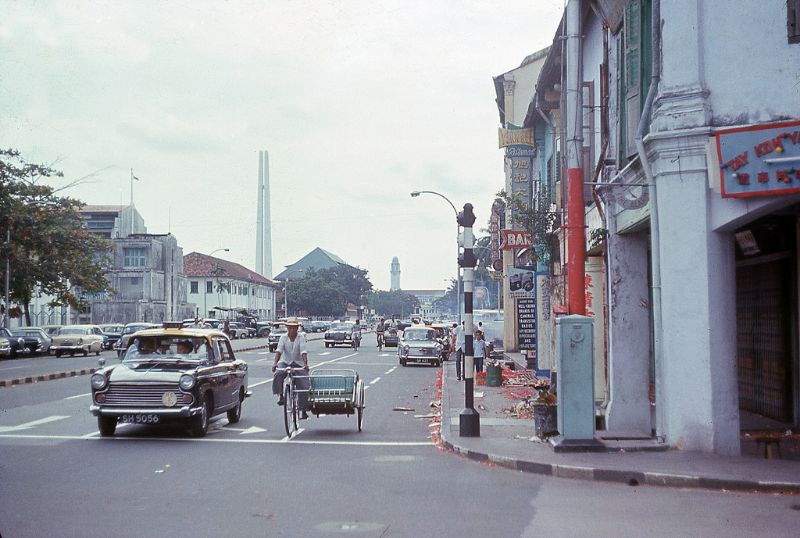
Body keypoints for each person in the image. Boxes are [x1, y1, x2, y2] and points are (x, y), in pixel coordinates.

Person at [271, 317, 310, 419]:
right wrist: (275, 363)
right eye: (290, 328)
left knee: (304, 385)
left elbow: (303, 352)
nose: (292, 330)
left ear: (297, 328)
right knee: (278, 374)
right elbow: (279, 351)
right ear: (287, 328)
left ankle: (303, 410)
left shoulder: (300, 337)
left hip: (298, 363)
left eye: (294, 328)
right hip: (285, 362)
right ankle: (280, 395)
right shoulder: (283, 338)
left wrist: (305, 364)